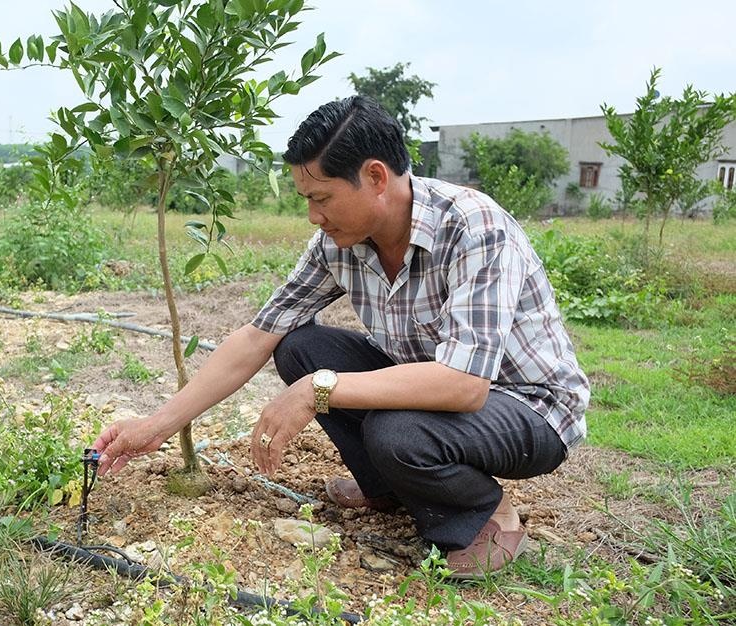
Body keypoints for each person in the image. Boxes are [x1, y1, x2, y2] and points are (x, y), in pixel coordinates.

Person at [90, 95, 589, 578]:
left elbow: (464, 385)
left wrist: (317, 390)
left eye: (321, 197)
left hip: (528, 407)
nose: (314, 215)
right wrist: (156, 426)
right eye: (308, 200)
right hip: (434, 393)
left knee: (396, 431)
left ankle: (484, 513)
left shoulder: (473, 227)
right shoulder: (339, 244)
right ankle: (387, 486)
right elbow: (259, 335)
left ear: (375, 177)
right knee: (299, 347)